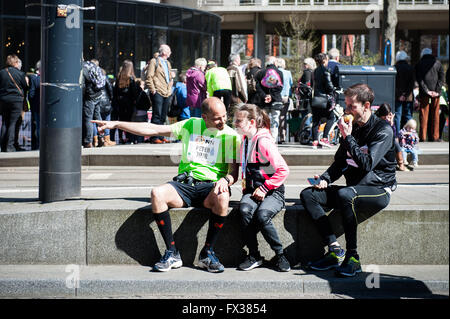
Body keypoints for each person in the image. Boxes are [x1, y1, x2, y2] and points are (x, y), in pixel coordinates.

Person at [92, 97, 240, 273]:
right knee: (157, 194)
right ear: (205, 117)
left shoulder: (231, 136)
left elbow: (234, 173)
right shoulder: (191, 125)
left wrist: (226, 180)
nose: (222, 121)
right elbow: (153, 129)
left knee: (223, 197)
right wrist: (116, 124)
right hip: (185, 184)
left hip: (211, 188)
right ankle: (172, 253)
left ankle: (207, 253)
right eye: (217, 118)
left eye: (224, 116)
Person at [300, 83, 397, 277]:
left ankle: (353, 258)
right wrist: (326, 178)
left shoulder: (382, 130)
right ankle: (334, 249)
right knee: (309, 194)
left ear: (366, 106)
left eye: (352, 106)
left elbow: (367, 164)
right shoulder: (353, 128)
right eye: (346, 106)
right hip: (354, 189)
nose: (347, 111)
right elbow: (340, 162)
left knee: (346, 194)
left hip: (378, 189)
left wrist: (348, 137)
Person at [233, 104, 291, 272]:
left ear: (251, 122)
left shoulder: (263, 142)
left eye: (238, 120)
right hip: (253, 191)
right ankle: (254, 255)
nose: (235, 123)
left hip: (273, 192)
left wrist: (265, 188)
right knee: (244, 209)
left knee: (262, 214)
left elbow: (283, 170)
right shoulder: (245, 141)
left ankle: (280, 255)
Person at [145, 44, 174, 144]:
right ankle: (154, 137)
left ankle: (161, 137)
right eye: (169, 51)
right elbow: (149, 76)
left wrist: (170, 88)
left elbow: (170, 77)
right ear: (164, 52)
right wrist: (153, 90)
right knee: (156, 115)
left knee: (163, 116)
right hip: (158, 91)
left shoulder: (167, 63)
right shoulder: (154, 61)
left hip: (167, 92)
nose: (170, 53)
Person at [415, 48, 445, 142]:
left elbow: (419, 79)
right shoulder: (438, 63)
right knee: (435, 115)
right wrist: (437, 90)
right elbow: (441, 78)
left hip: (424, 94)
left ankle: (423, 137)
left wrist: (426, 90)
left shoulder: (419, 63)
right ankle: (435, 137)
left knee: (424, 115)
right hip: (436, 94)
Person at [0, 54, 29, 152]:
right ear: (15, 62)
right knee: (13, 123)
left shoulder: (2, 73)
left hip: (4, 100)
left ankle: (3, 146)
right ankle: (10, 146)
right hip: (16, 101)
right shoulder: (20, 74)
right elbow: (25, 87)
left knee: (5, 122)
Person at [254, 56, 284, 143]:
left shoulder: (260, 73)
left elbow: (258, 87)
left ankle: (264, 140)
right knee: (275, 121)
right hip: (276, 101)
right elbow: (280, 87)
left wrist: (265, 96)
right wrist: (272, 96)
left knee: (264, 121)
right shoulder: (280, 73)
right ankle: (273, 140)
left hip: (264, 102)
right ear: (275, 63)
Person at [311, 52, 335, 149]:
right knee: (331, 117)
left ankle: (315, 141)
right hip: (324, 99)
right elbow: (329, 86)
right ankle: (325, 138)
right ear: (324, 60)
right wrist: (333, 90)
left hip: (316, 98)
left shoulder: (315, 71)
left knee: (316, 120)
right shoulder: (326, 71)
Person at [113, 59, 139, 144]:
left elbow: (115, 91)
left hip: (119, 103)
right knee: (129, 121)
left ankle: (120, 137)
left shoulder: (118, 77)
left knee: (121, 120)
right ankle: (129, 138)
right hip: (129, 103)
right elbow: (134, 92)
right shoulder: (131, 79)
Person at [375, 103, 406, 171]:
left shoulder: (388, 119)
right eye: (384, 115)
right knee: (394, 141)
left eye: (387, 115)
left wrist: (391, 123)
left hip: (387, 138)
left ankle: (401, 163)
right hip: (378, 137)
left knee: (395, 142)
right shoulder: (376, 118)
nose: (386, 117)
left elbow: (393, 135)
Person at [81, 58, 105, 148]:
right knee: (98, 117)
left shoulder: (82, 68)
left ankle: (88, 142)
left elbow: (82, 85)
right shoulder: (92, 65)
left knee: (89, 119)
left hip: (90, 97)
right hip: (98, 94)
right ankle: (102, 137)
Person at [93, 68, 116, 147]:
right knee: (107, 121)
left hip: (97, 102)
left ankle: (95, 140)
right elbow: (110, 89)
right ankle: (107, 140)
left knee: (96, 122)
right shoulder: (105, 78)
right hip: (106, 102)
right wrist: (111, 99)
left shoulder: (92, 79)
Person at [394, 51, 415, 133]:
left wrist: (400, 95)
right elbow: (411, 83)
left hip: (397, 96)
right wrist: (405, 95)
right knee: (408, 115)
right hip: (408, 97)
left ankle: (397, 134)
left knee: (397, 116)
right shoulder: (411, 68)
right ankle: (409, 134)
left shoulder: (394, 68)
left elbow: (394, 83)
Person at [277, 58, 293, 144]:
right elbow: (291, 84)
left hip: (276, 97)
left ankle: (275, 135)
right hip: (285, 97)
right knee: (283, 116)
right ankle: (282, 136)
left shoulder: (275, 72)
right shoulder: (288, 73)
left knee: (275, 116)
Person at [28, 60, 41, 150]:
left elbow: (31, 94)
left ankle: (40, 144)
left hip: (37, 107)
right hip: (48, 108)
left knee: (39, 126)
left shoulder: (34, 79)